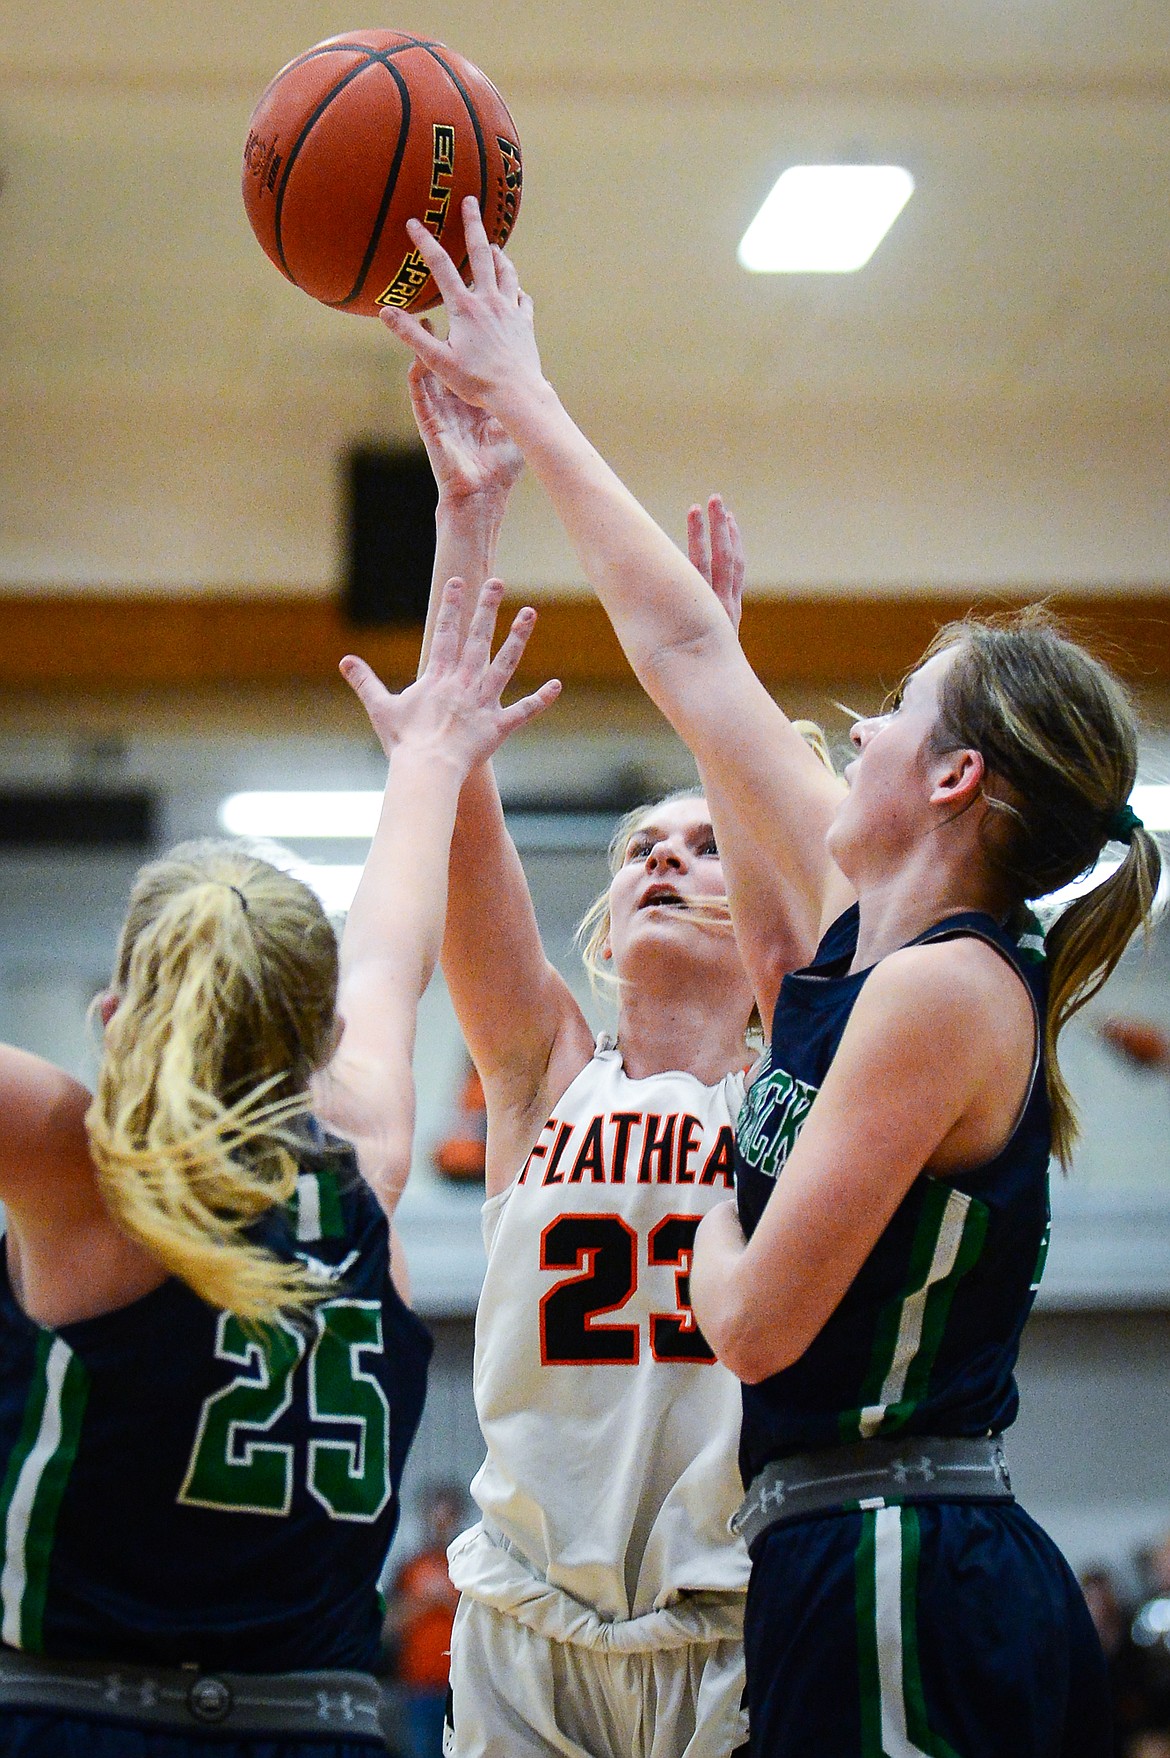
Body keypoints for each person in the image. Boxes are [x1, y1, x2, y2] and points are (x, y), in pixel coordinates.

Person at [379, 197, 1163, 1757]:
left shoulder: (880, 999)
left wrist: (721, 725)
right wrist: (483, 494)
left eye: (888, 711)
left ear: (951, 784)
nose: (854, 726)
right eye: (638, 848)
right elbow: (672, 654)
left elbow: (742, 1313)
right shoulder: (598, 1051)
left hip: (785, 1577)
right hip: (560, 1609)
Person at [0, 578, 557, 1756]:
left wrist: (433, 754)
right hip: (322, 1730)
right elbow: (392, 953)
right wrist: (429, 758)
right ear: (318, 1038)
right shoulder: (367, 1161)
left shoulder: (71, 1161)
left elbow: (382, 962)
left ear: (115, 1014)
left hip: (85, 1722)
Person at [379, 349, 832, 1758]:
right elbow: (454, 810)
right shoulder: (541, 1075)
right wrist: (464, 524)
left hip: (735, 1620)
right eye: (642, 846)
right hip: (525, 1623)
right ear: (603, 912)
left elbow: (804, 887)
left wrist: (723, 714)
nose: (665, 859)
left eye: (703, 842)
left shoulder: (802, 1084)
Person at [384, 1485, 466, 1758]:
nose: (441, 1523)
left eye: (448, 1515)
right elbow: (389, 1624)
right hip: (418, 1686)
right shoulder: (409, 1567)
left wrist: (447, 1601)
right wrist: (424, 1603)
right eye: (436, 1515)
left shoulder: (468, 1569)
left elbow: (481, 1623)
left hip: (461, 1687)